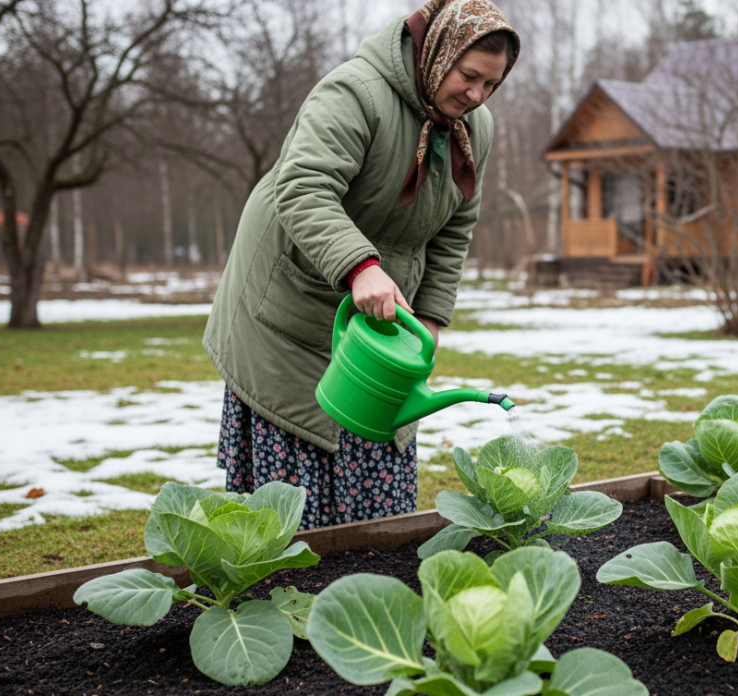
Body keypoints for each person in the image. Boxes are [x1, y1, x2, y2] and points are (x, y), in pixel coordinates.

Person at [203, 0, 520, 529]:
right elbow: (303, 187)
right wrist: (360, 266)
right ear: (439, 53)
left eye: (491, 84)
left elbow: (454, 230)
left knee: (380, 481)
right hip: (286, 312)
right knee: (293, 515)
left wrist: (434, 318)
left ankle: (364, 600)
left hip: (377, 323)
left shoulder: (474, 127)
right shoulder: (355, 93)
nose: (476, 95)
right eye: (469, 77)